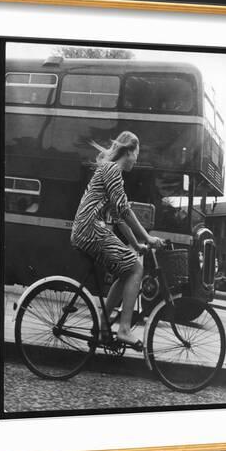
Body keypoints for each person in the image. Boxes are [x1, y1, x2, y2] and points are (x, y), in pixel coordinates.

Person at [70, 131, 163, 349]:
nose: (137, 159)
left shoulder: (108, 171)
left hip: (87, 229)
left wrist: (138, 243)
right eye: (136, 154)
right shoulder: (113, 170)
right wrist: (148, 237)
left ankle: (103, 322)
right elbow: (124, 210)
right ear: (128, 151)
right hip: (90, 229)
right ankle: (123, 329)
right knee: (136, 269)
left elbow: (118, 217)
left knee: (127, 268)